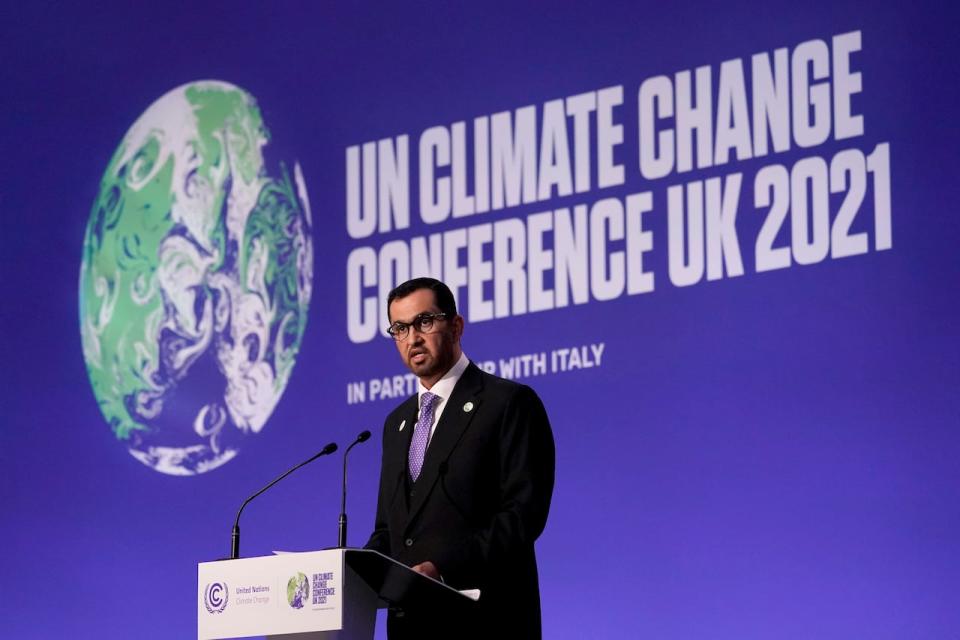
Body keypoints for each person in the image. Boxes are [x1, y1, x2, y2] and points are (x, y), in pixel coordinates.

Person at [365, 277, 555, 639]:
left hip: (485, 621)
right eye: (400, 328)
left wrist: (443, 568)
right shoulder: (397, 424)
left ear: (456, 326)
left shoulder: (508, 403)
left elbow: (522, 517)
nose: (413, 338)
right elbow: (390, 530)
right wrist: (352, 569)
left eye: (425, 322)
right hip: (411, 628)